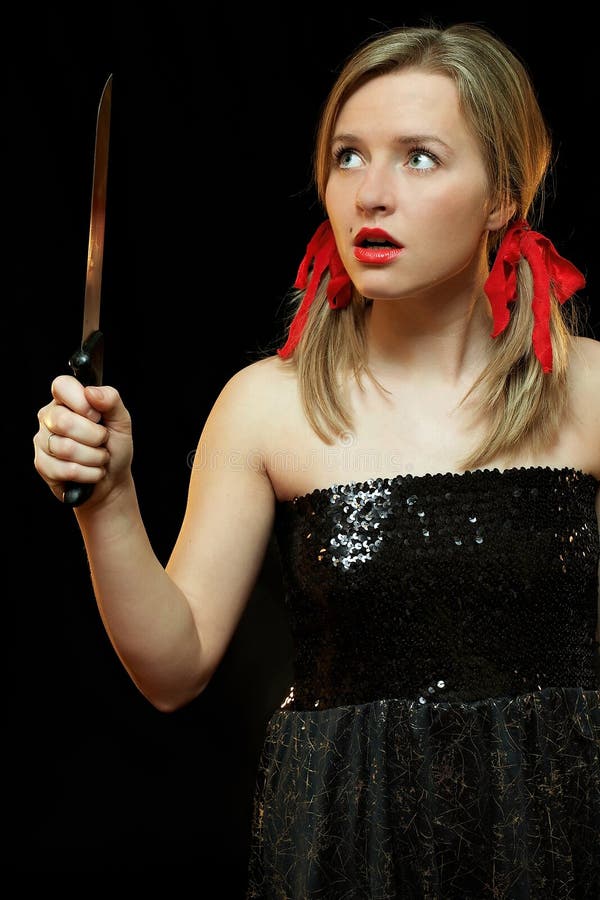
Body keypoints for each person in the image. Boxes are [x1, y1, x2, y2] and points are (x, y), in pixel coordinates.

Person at [33, 21, 599, 899]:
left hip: (559, 830)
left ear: (502, 195)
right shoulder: (267, 405)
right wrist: (107, 498)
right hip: (348, 836)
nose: (370, 193)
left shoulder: (590, 390)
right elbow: (173, 669)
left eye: (418, 158)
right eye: (347, 156)